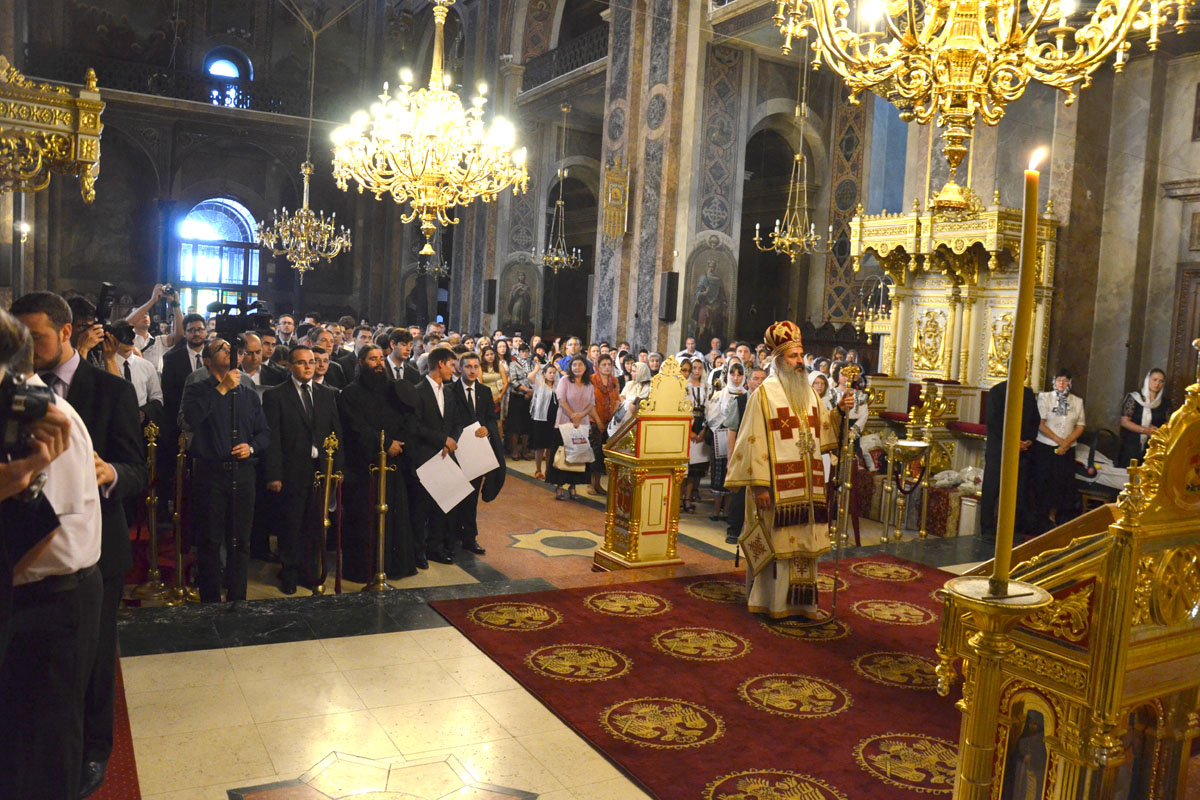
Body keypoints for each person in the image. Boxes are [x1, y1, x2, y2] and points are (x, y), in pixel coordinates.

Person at [12, 290, 148, 796]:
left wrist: (110, 470)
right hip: (31, 552)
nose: (28, 348)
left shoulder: (108, 391)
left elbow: (138, 468)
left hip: (94, 547)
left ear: (66, 332)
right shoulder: (16, 391)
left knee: (92, 658)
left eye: (38, 337)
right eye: (19, 338)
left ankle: (95, 749)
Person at [0, 312, 101, 800]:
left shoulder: (35, 418)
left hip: (48, 599)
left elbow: (41, 527)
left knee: (42, 749)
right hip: (36, 596)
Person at [726, 321, 854, 619]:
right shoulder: (764, 395)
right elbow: (753, 441)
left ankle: (802, 605)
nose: (800, 362)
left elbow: (826, 430)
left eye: (801, 355)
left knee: (804, 547)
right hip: (777, 489)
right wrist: (759, 485)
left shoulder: (808, 393)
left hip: (807, 488)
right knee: (777, 546)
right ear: (779, 360)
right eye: (794, 356)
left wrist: (841, 412)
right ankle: (772, 603)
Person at [182, 338, 270, 603]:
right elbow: (192, 418)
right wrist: (222, 388)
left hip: (243, 473)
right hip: (211, 473)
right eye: (222, 348)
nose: (231, 351)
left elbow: (264, 432)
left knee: (241, 540)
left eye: (235, 350)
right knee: (210, 540)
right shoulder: (197, 389)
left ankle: (237, 598)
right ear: (207, 361)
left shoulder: (249, 395)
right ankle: (210, 601)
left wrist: (251, 447)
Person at [263, 345, 344, 594]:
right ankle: (289, 571)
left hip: (320, 470)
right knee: (291, 523)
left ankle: (309, 571)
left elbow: (335, 432)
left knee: (315, 524)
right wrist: (274, 474)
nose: (308, 366)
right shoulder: (276, 395)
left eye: (311, 362)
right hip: (291, 469)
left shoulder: (325, 394)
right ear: (290, 366)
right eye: (301, 362)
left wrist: (338, 467)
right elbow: (273, 437)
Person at [337, 344, 418, 579]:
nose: (379, 363)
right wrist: (384, 444)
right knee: (365, 519)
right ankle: (364, 570)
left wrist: (398, 442)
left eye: (381, 359)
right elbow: (355, 427)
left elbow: (407, 417)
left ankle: (393, 567)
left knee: (394, 517)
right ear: (361, 363)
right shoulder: (350, 393)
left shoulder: (392, 389)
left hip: (393, 464)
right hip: (365, 468)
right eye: (372, 359)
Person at [408, 347, 470, 565]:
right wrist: (441, 440)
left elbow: (457, 423)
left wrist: (451, 440)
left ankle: (436, 547)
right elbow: (414, 426)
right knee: (421, 509)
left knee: (442, 506)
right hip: (424, 457)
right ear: (441, 364)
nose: (455, 370)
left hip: (445, 457)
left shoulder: (450, 392)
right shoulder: (417, 391)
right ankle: (418, 552)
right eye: (452, 365)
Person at [448, 352, 498, 558]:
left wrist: (486, 428)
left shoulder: (484, 391)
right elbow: (449, 417)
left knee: (471, 496)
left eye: (475, 366)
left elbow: (489, 417)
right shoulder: (450, 390)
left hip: (476, 450)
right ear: (460, 368)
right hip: (457, 448)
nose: (472, 370)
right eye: (468, 366)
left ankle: (469, 537)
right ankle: (449, 538)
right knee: (453, 495)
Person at [980, 375, 1040, 542]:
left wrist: (1028, 440)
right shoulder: (997, 392)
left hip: (1022, 451)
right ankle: (987, 529)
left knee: (1018, 491)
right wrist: (1013, 442)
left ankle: (1013, 528)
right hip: (999, 450)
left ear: (1027, 372)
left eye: (1025, 369)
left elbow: (1034, 421)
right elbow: (994, 422)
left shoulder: (1028, 394)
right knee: (992, 490)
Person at [1033, 369, 1086, 532]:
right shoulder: (1045, 398)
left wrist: (1067, 443)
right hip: (1046, 447)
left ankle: (1056, 517)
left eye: (1065, 381)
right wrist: (1059, 441)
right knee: (1045, 482)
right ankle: (1041, 519)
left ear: (1070, 383)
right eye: (1059, 380)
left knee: (1062, 483)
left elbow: (1081, 425)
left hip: (1068, 448)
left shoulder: (1077, 401)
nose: (1062, 384)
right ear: (1054, 382)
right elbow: (1040, 424)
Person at [548, 354, 595, 500]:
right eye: (574, 365)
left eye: (580, 365)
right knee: (564, 454)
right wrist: (573, 416)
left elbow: (591, 404)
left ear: (586, 367)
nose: (577, 368)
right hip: (564, 423)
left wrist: (580, 416)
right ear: (570, 367)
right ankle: (559, 486)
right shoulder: (565, 380)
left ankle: (573, 487)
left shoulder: (589, 384)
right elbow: (561, 400)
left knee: (578, 455)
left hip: (582, 424)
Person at [706, 360, 746, 522]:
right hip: (721, 436)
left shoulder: (746, 394)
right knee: (719, 472)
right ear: (727, 374)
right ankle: (716, 509)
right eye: (733, 374)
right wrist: (725, 424)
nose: (736, 378)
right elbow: (711, 416)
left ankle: (727, 510)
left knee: (733, 474)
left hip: (740, 438)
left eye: (739, 374)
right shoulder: (721, 393)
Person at [1118, 369, 1168, 467]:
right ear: (1148, 380)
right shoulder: (1134, 398)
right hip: (1131, 444)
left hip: (1152, 447)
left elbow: (1169, 422)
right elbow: (1124, 422)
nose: (1157, 384)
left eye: (1161, 381)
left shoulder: (1165, 402)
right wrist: (1146, 430)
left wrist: (1159, 430)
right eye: (1155, 380)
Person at [589, 353, 621, 496]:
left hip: (609, 422)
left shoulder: (614, 381)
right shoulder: (592, 380)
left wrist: (612, 416)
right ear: (598, 366)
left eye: (609, 365)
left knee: (602, 455)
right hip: (594, 421)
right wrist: (598, 421)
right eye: (604, 365)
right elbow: (590, 403)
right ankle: (590, 484)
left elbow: (616, 400)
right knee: (593, 453)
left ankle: (598, 484)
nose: (607, 367)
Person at [683, 357, 711, 513]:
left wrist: (703, 430)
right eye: (694, 368)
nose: (696, 371)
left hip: (702, 424)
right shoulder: (684, 387)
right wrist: (691, 432)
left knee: (697, 466)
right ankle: (682, 497)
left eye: (700, 368)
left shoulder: (707, 387)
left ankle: (690, 495)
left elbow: (710, 409)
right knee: (686, 465)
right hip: (687, 424)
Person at [529, 362, 559, 480]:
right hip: (541, 419)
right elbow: (530, 377)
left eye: (553, 373)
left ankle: (548, 470)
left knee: (550, 447)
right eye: (549, 373)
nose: (552, 375)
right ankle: (538, 469)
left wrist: (560, 371)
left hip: (554, 419)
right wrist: (536, 370)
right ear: (545, 374)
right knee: (540, 446)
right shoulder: (540, 384)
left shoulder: (558, 386)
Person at [506, 343, 535, 459]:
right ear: (518, 353)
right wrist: (526, 390)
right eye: (522, 352)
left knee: (527, 425)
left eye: (526, 352)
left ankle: (524, 450)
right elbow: (513, 381)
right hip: (517, 396)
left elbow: (535, 378)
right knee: (515, 425)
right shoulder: (513, 364)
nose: (524, 354)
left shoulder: (532, 364)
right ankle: (515, 451)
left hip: (530, 398)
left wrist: (531, 391)